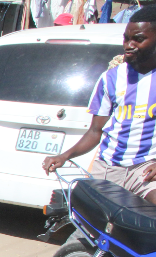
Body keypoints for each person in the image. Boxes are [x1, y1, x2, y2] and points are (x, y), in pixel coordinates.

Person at [45, 7, 156, 204]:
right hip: (107, 169)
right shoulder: (110, 78)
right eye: (126, 38)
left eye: (138, 39)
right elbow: (95, 131)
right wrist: (65, 155)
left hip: (145, 171)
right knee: (88, 229)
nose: (129, 45)